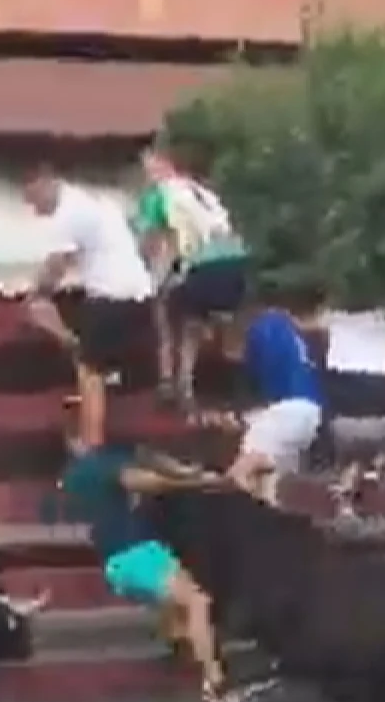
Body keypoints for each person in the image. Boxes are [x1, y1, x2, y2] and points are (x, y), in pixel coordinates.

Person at [49, 437, 273, 702]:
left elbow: (150, 461)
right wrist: (207, 483)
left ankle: (188, 645)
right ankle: (216, 684)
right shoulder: (100, 464)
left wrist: (189, 473)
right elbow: (151, 481)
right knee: (197, 601)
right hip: (135, 553)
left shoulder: (70, 477)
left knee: (184, 604)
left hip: (118, 559)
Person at [20, 164, 156, 451]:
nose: (34, 210)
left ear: (46, 183)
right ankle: (93, 358)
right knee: (97, 352)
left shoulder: (67, 215)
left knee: (88, 370)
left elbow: (55, 268)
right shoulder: (98, 203)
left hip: (112, 297)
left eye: (33, 201)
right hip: (141, 295)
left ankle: (91, 441)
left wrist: (32, 294)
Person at [133, 145, 248, 408]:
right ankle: (230, 388)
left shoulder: (159, 194)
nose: (147, 175)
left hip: (203, 266)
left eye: (150, 168)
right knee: (204, 323)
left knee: (166, 314)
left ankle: (170, 384)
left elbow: (153, 239)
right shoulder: (201, 191)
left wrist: (146, 271)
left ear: (166, 165)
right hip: (235, 263)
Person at [227, 289, 326, 503]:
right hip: (313, 413)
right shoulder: (292, 329)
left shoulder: (259, 329)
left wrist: (237, 416)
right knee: (278, 481)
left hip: (286, 411)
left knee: (240, 472)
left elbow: (247, 376)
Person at [315, 303, 385, 510]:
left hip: (342, 390)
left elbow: (318, 325)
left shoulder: (334, 310)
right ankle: (373, 464)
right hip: (378, 389)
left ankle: (355, 473)